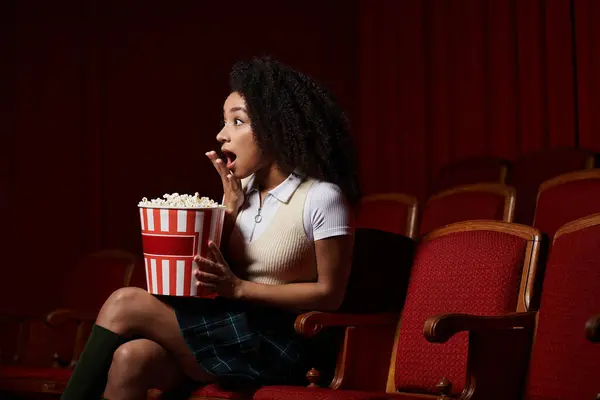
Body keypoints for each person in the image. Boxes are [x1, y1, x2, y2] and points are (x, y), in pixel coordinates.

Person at [60, 56, 362, 400]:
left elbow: (330, 295)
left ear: (275, 127)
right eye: (224, 122)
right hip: (228, 325)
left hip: (278, 341)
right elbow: (204, 278)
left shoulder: (322, 196)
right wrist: (228, 210)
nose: (222, 135)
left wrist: (240, 289)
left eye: (237, 122)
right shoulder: (239, 193)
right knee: (131, 358)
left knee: (125, 302)